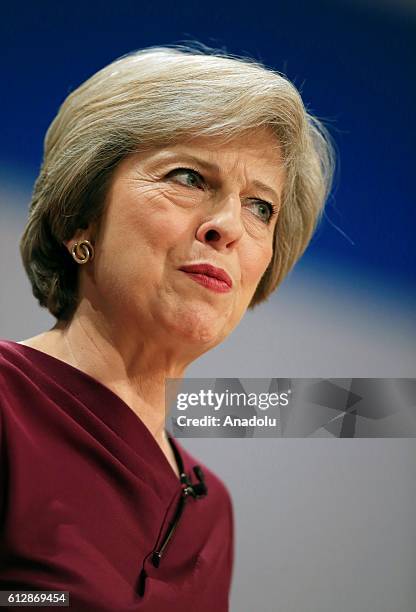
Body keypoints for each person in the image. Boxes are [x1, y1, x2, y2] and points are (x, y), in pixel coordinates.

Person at [0, 45, 334, 611]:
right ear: (80, 215)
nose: (227, 226)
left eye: (261, 208)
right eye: (188, 177)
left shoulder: (210, 512)